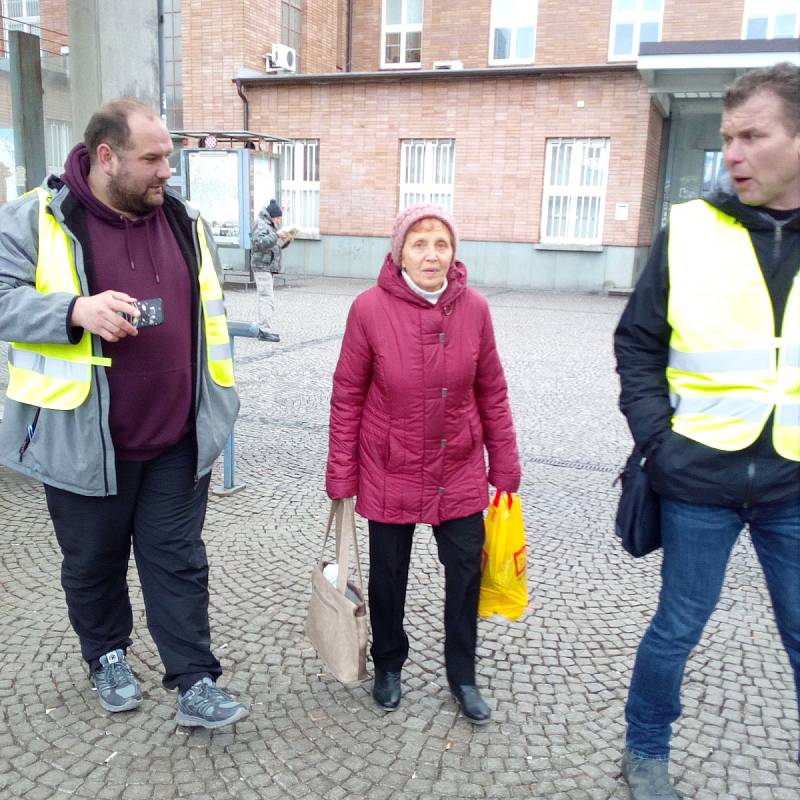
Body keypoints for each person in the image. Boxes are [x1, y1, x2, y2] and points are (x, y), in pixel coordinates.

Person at [0, 98, 248, 729]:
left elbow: (207, 319)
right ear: (106, 157)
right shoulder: (38, 217)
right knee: (93, 561)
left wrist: (217, 410)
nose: (168, 170)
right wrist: (72, 312)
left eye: (167, 155)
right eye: (153, 158)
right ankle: (106, 653)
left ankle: (194, 680)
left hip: (177, 437)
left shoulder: (183, 220)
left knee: (178, 560)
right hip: (85, 440)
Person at [614, 62, 800, 799]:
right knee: (677, 626)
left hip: (792, 482)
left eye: (752, 136)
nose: (733, 154)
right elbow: (637, 343)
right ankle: (645, 749)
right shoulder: (689, 228)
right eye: (727, 138)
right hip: (698, 478)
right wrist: (660, 443)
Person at [326, 203, 521, 723]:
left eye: (441, 243)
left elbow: (492, 391)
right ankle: (389, 663)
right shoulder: (368, 309)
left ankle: (463, 675)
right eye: (419, 243)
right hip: (390, 464)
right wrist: (342, 472)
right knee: (388, 575)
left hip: (456, 464)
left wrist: (504, 463)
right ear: (400, 253)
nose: (431, 254)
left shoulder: (475, 309)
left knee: (465, 571)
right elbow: (347, 395)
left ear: (454, 252)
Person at [250, 198, 297, 343]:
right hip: (262, 266)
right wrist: (276, 235)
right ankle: (264, 330)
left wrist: (287, 239)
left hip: (267, 266)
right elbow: (259, 243)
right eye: (278, 217)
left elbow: (274, 247)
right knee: (266, 298)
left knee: (267, 298)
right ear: (272, 216)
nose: (278, 220)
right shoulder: (261, 224)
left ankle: (265, 328)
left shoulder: (268, 225)